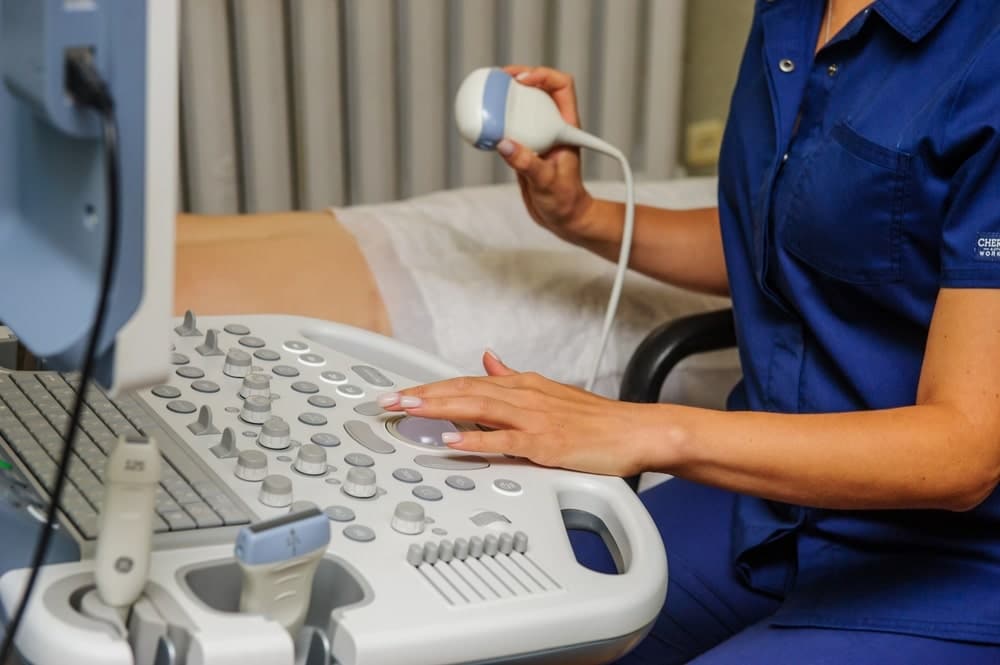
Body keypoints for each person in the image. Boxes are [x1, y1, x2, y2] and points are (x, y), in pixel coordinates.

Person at [367, 1, 1000, 663]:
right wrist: (582, 216)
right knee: (501, 616)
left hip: (954, 557)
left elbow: (964, 450)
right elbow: (789, 240)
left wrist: (648, 429)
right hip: (774, 500)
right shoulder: (789, 16)